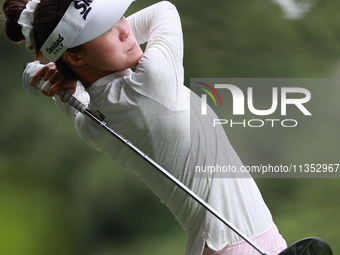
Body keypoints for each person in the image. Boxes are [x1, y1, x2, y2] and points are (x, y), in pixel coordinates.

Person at [3, 0, 287, 254]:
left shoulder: (90, 122)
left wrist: (61, 69)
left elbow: (68, 98)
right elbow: (164, 10)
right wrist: (58, 68)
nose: (125, 31)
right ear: (76, 57)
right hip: (240, 242)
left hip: (233, 242)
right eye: (105, 30)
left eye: (120, 18)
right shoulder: (152, 84)